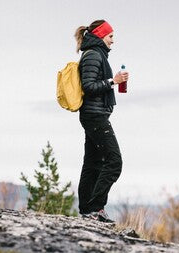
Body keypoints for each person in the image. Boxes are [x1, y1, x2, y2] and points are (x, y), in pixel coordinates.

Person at [74, 20, 128, 222]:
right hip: (94, 116)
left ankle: (87, 210)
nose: (113, 40)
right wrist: (113, 81)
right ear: (100, 35)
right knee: (114, 162)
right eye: (110, 36)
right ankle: (96, 208)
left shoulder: (96, 54)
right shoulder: (94, 55)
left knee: (93, 163)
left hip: (95, 115)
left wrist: (114, 81)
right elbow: (88, 86)